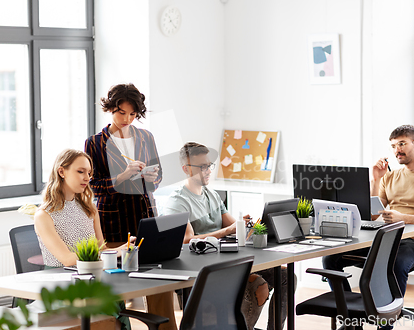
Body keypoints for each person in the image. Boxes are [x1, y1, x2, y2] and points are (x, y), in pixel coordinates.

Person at [322, 124, 414, 329]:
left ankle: (386, 325)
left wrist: (403, 218)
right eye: (393, 146)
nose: (396, 150)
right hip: (385, 237)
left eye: (402, 144)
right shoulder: (390, 177)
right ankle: (352, 320)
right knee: (331, 259)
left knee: (395, 264)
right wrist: (376, 180)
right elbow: (373, 214)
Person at [162, 142, 294, 330]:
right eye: (201, 167)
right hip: (203, 271)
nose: (207, 171)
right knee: (259, 284)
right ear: (185, 169)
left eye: (209, 165)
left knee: (286, 276)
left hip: (226, 262)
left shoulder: (213, 196)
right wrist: (226, 231)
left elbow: (232, 225)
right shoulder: (177, 202)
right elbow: (185, 240)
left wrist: (247, 225)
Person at [84, 83, 176, 330]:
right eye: (121, 113)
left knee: (159, 283)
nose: (127, 119)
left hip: (145, 217)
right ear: (110, 109)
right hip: (113, 223)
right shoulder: (94, 143)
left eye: (133, 114)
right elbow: (92, 186)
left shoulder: (146, 137)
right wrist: (122, 176)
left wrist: (151, 177)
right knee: (115, 287)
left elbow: (158, 178)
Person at [34, 149, 133, 329]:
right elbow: (67, 259)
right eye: (81, 171)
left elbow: (100, 249)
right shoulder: (44, 215)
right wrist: (112, 252)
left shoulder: (90, 210)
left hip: (92, 278)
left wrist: (121, 249)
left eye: (89, 173)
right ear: (61, 172)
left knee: (115, 303)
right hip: (62, 284)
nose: (87, 177)